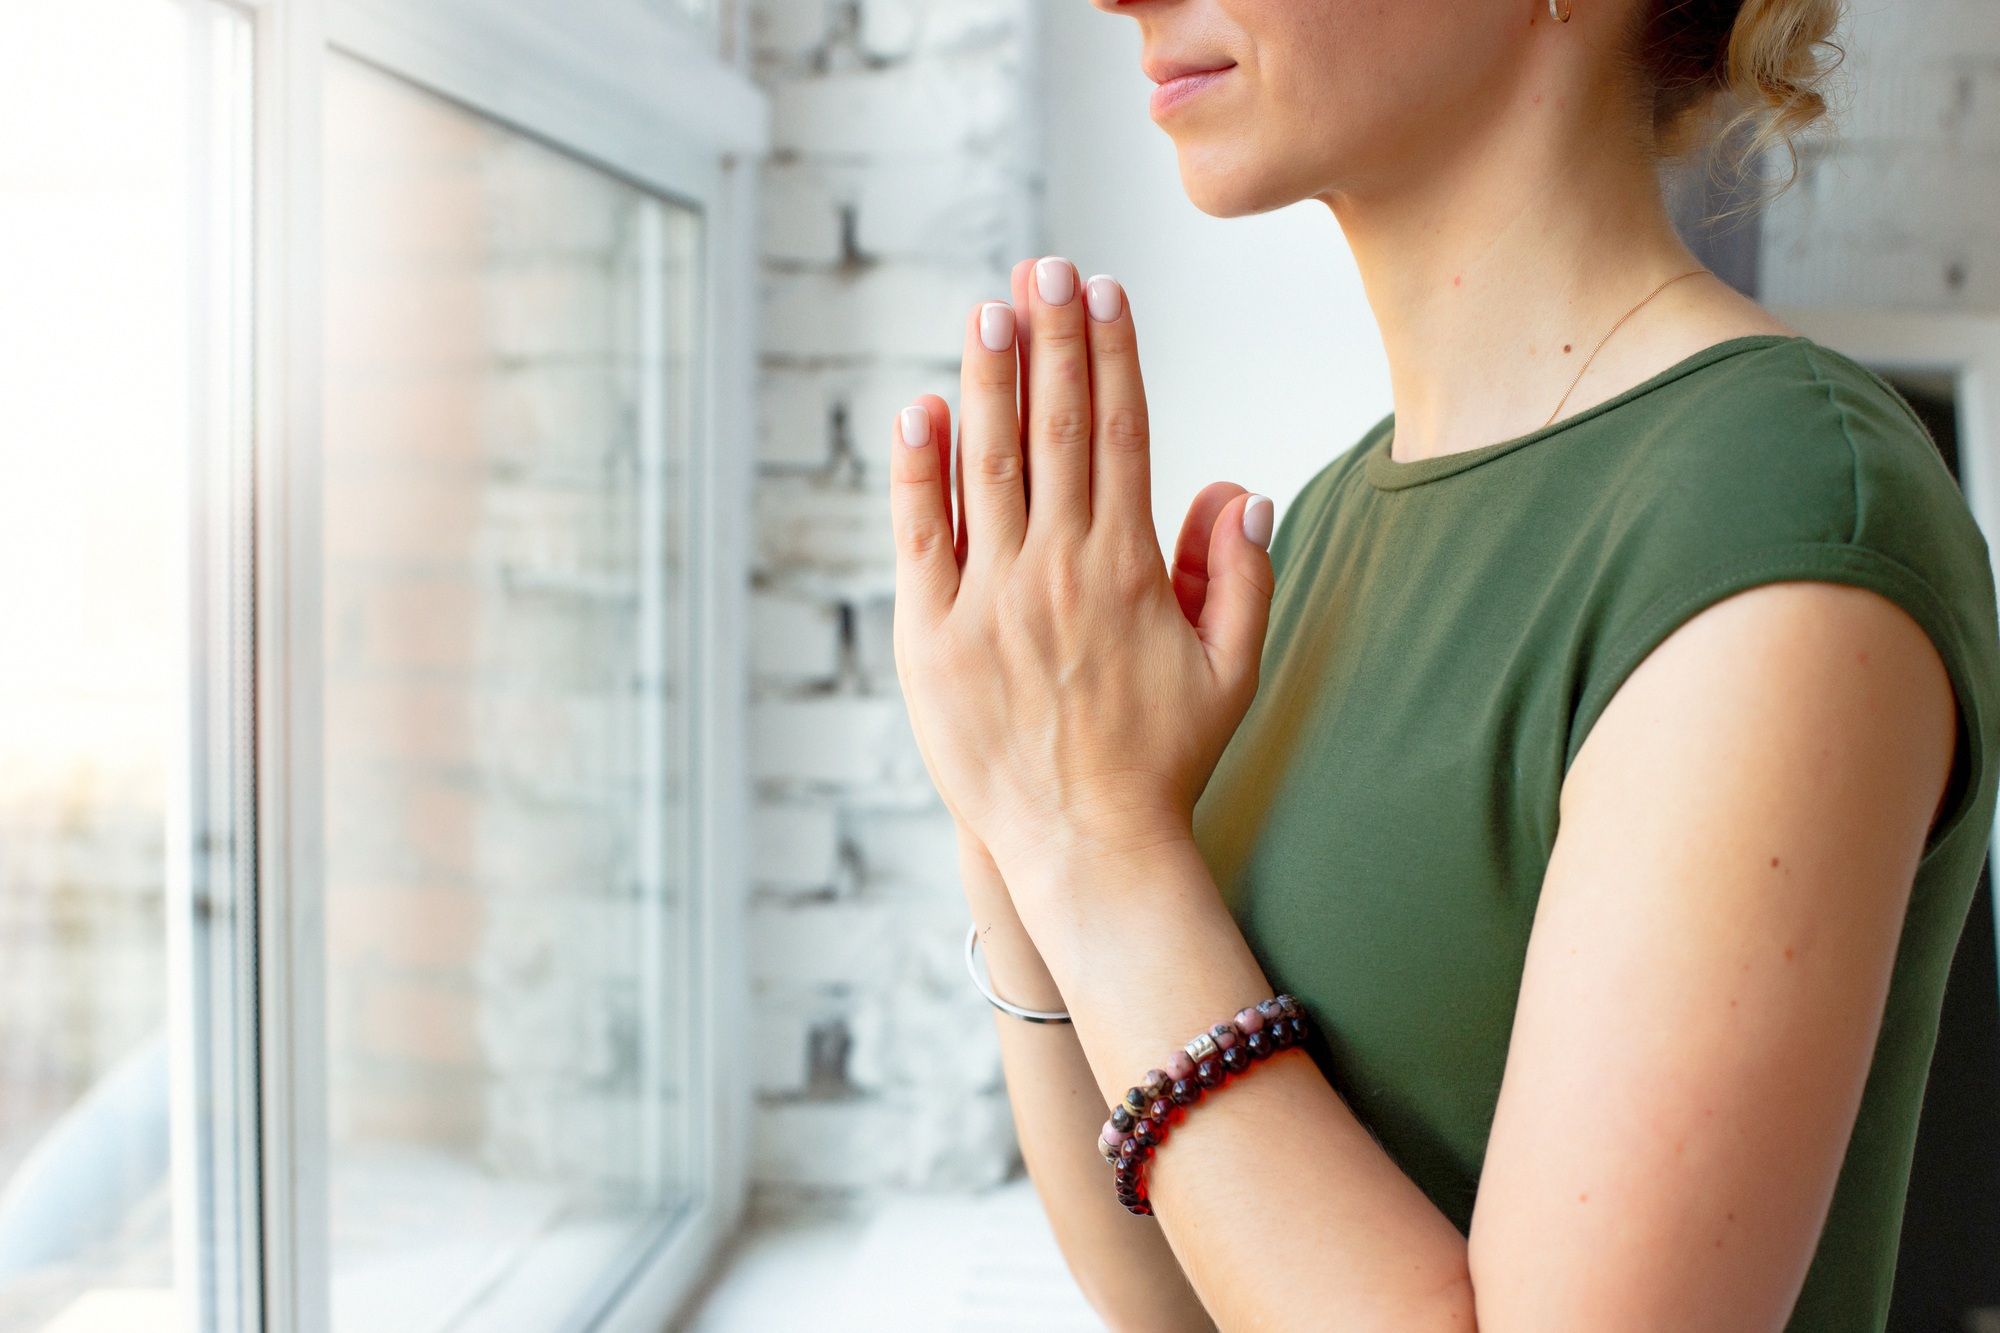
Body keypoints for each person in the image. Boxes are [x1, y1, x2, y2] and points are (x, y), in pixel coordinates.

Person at [885, 0, 2000, 1327]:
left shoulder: (1776, 509)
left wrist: (1100, 843)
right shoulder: (1327, 522)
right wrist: (1018, 801)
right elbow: (1178, 1296)